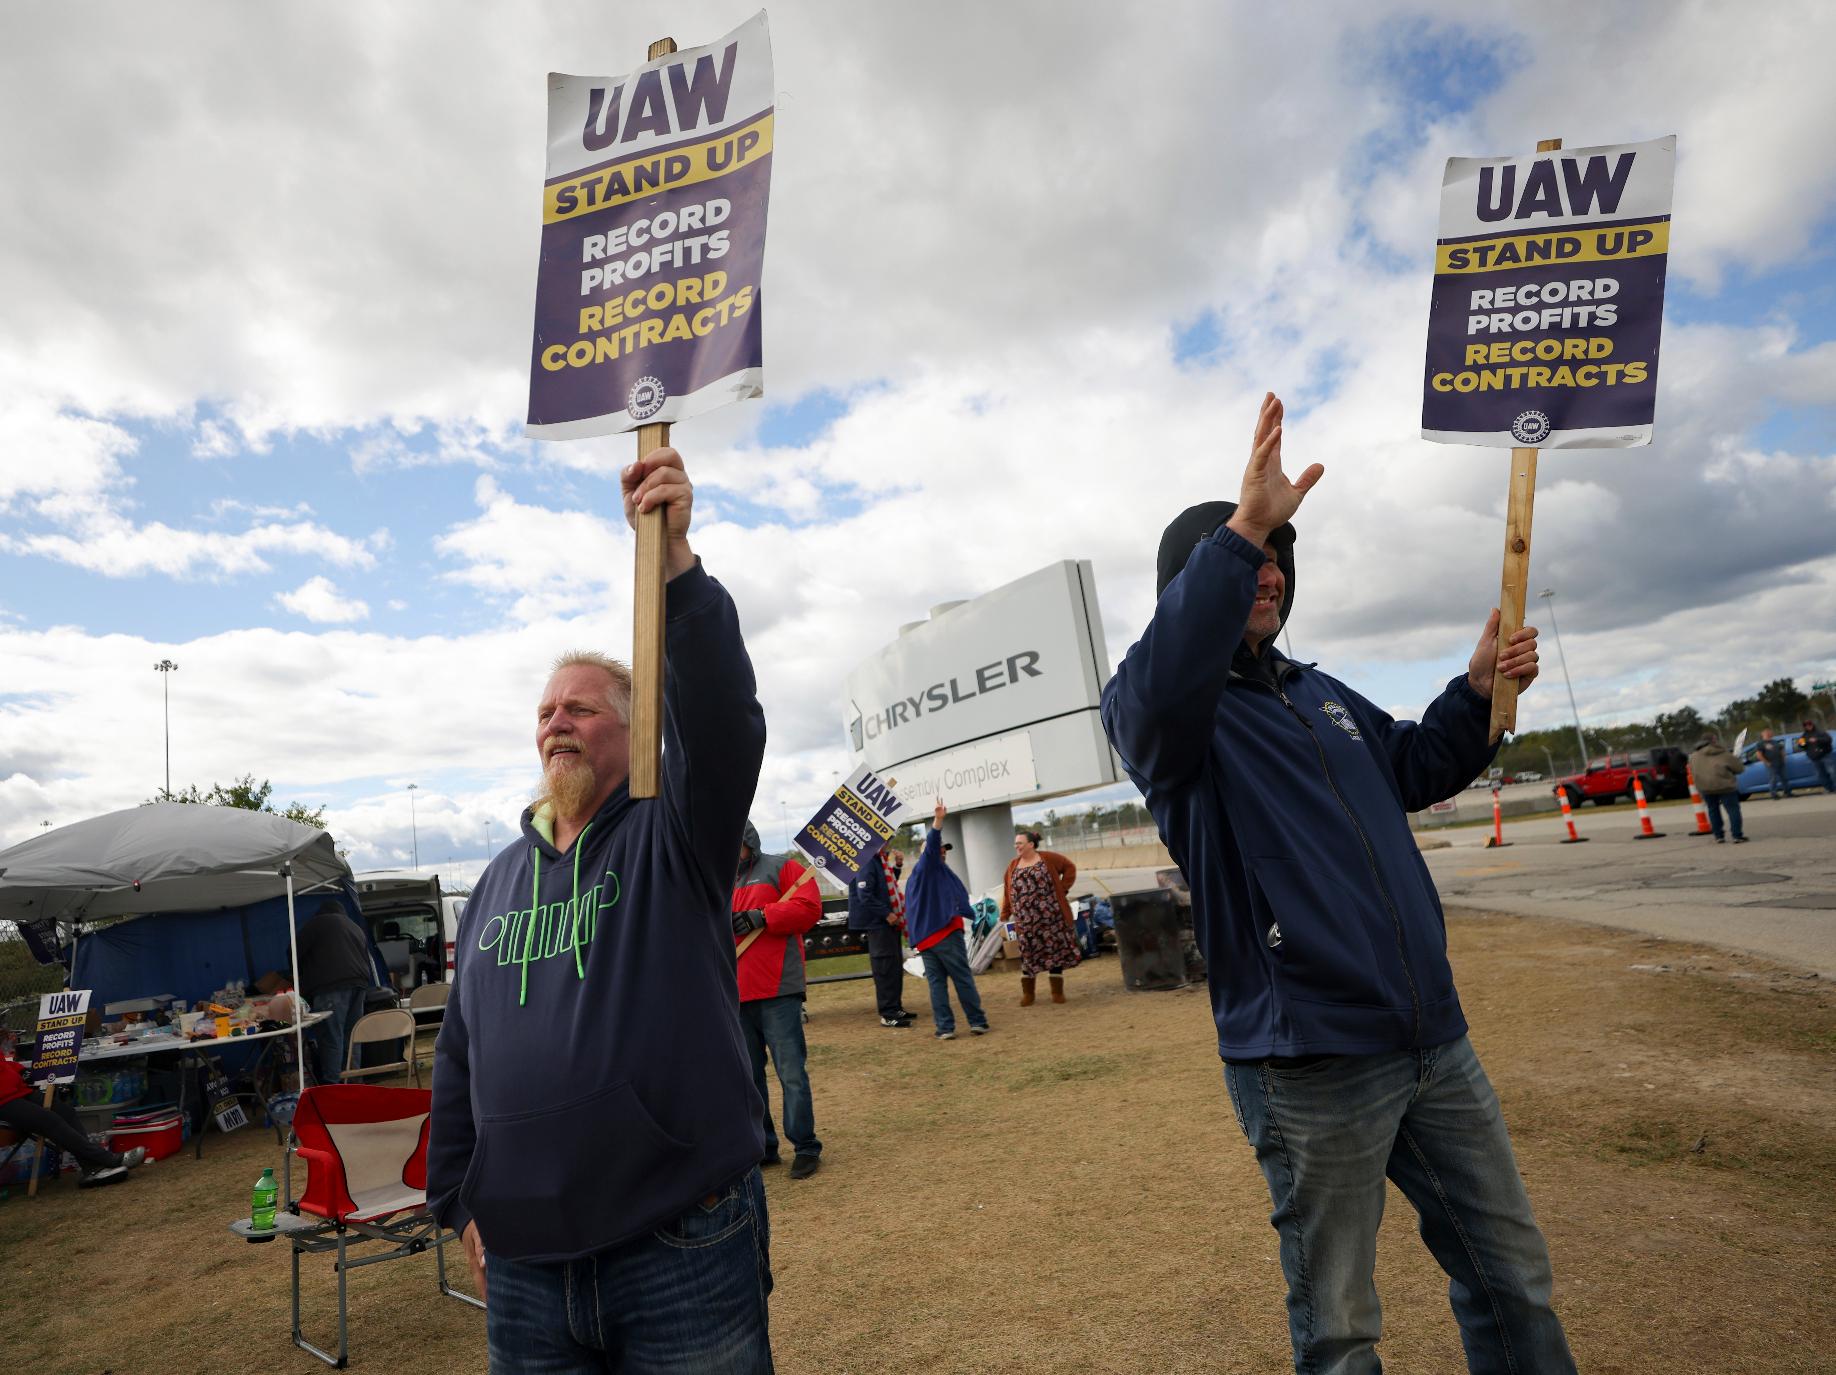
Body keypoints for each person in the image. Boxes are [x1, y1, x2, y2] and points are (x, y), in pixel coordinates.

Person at [1101, 392, 1573, 1374]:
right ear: (1192, 582)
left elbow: (1410, 766)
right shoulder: (1169, 722)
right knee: (1342, 1328)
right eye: (1246, 557)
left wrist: (1477, 692)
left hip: (1431, 1039)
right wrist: (1240, 528)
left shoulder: (1318, 694)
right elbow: (1155, 687)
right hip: (1312, 1060)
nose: (1268, 572)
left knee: (1511, 1275)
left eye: (1280, 558)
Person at [427, 447, 775, 1375]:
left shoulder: (675, 835)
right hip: (527, 1268)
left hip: (680, 1244)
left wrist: (675, 569)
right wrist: (457, 1196)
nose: (555, 722)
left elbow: (724, 720)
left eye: (581, 707)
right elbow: (460, 1053)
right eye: (545, 711)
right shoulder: (498, 882)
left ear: (636, 728)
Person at [732, 820, 824, 1179]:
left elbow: (808, 907)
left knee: (791, 1075)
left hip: (778, 992)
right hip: (735, 994)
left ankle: (805, 1146)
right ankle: (763, 1146)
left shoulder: (783, 868)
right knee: (749, 1078)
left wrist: (762, 916)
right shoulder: (714, 876)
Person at [905, 801, 990, 1040]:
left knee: (937, 985)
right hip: (943, 933)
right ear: (927, 854)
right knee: (962, 978)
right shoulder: (927, 867)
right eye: (939, 849)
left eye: (945, 850)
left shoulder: (919, 877)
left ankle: (945, 1028)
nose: (942, 851)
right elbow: (932, 847)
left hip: (926, 939)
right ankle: (977, 1021)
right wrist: (938, 821)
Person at [0, 1048, 146, 1187]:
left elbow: (3, 1063)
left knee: (66, 1112)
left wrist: (19, 1070)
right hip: (3, 1099)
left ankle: (92, 1169)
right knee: (49, 1120)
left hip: (17, 1090)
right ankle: (110, 1159)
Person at [295, 898, 376, 1085]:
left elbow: (293, 951)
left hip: (331, 987)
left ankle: (332, 1088)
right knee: (352, 1037)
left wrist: (299, 980)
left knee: (332, 1038)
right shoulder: (355, 927)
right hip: (359, 986)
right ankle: (356, 1085)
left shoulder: (317, 923)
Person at [1000, 830, 1079, 1005]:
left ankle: (1057, 992)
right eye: (1016, 843)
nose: (1017, 846)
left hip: (1051, 918)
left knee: (1054, 953)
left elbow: (1069, 868)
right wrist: (1005, 912)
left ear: (1031, 844)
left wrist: (1062, 888)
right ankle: (1029, 994)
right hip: (1026, 922)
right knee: (1028, 955)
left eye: (1020, 843)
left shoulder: (1048, 858)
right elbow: (1008, 891)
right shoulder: (1013, 865)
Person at [847, 843, 913, 1027]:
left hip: (887, 922)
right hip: (878, 923)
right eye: (886, 839)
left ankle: (895, 1007)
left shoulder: (879, 860)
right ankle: (888, 1013)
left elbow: (886, 885)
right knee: (884, 968)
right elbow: (865, 894)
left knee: (894, 965)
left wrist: (897, 866)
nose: (890, 843)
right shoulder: (867, 860)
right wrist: (887, 913)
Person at [1689, 732, 1747, 843]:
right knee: (1733, 810)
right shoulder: (1723, 754)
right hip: (1725, 786)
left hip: (1705, 787)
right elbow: (1740, 769)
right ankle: (1737, 835)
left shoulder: (1694, 756)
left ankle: (1718, 836)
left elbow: (1692, 770)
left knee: (1713, 811)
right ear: (1714, 740)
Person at [1799, 718, 1835, 793]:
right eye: (1806, 725)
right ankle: (1829, 789)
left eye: (1809, 724)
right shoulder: (1803, 736)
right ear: (1804, 727)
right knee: (1820, 775)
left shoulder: (1820, 732)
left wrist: (1817, 739)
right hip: (1815, 759)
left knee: (1832, 772)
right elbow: (1801, 746)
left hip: (1825, 755)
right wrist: (1803, 744)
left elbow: (1829, 739)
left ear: (1812, 724)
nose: (1808, 726)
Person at [1757, 729, 1793, 800]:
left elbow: (1781, 750)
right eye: (1766, 732)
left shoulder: (1775, 741)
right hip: (1771, 764)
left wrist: (1784, 759)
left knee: (1784, 778)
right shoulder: (1761, 743)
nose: (1768, 733)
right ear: (1762, 734)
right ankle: (1774, 794)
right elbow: (1759, 755)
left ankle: (1787, 792)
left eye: (1769, 732)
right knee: (1773, 779)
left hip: (1780, 763)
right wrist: (1767, 762)